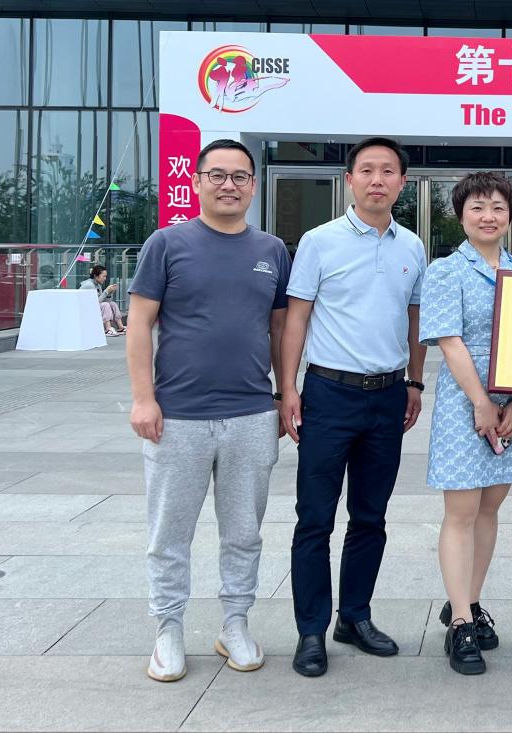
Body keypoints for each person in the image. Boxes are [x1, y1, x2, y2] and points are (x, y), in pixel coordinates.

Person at [126, 138, 290, 682]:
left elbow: (279, 329)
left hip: (250, 415)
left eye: (239, 176)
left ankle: (234, 623)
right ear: (196, 182)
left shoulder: (271, 250)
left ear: (253, 186)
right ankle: (168, 629)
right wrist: (143, 398)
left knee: (244, 532)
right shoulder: (166, 244)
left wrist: (284, 393)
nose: (228, 185)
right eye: (217, 175)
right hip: (178, 417)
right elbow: (139, 324)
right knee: (169, 534)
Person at [279, 137, 427, 678]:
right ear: (349, 180)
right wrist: (287, 388)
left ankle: (355, 616)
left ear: (402, 183)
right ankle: (311, 630)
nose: (377, 180)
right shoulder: (319, 242)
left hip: (387, 397)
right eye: (367, 170)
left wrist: (415, 383)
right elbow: (296, 318)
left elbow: (414, 320)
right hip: (329, 394)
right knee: (315, 518)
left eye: (388, 171)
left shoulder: (413, 246)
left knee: (370, 516)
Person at [419, 172, 512, 675]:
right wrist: (482, 403)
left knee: (490, 507)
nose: (488, 216)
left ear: (510, 215)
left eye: (497, 207)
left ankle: (467, 600)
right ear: (460, 215)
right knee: (462, 511)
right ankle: (460, 624)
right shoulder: (445, 271)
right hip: (464, 407)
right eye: (477, 207)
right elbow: (450, 343)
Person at [81, 264, 126, 335]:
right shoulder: (89, 285)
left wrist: (109, 293)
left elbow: (103, 300)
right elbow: (96, 302)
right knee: (105, 305)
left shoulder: (98, 285)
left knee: (112, 304)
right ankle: (108, 328)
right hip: (85, 309)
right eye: (103, 276)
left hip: (92, 306)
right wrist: (106, 291)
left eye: (106, 276)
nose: (105, 278)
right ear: (96, 276)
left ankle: (121, 327)